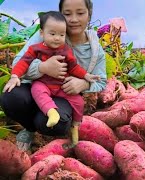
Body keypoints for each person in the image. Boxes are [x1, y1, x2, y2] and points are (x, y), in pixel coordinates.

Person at [0, 0, 106, 151]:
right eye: (67, 14)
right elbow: (19, 61)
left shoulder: (96, 51)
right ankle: (29, 129)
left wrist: (84, 83)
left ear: (89, 15)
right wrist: (43, 67)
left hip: (62, 94)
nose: (74, 19)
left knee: (56, 122)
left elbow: (101, 81)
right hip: (36, 86)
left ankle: (66, 125)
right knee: (11, 97)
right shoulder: (46, 33)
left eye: (80, 13)